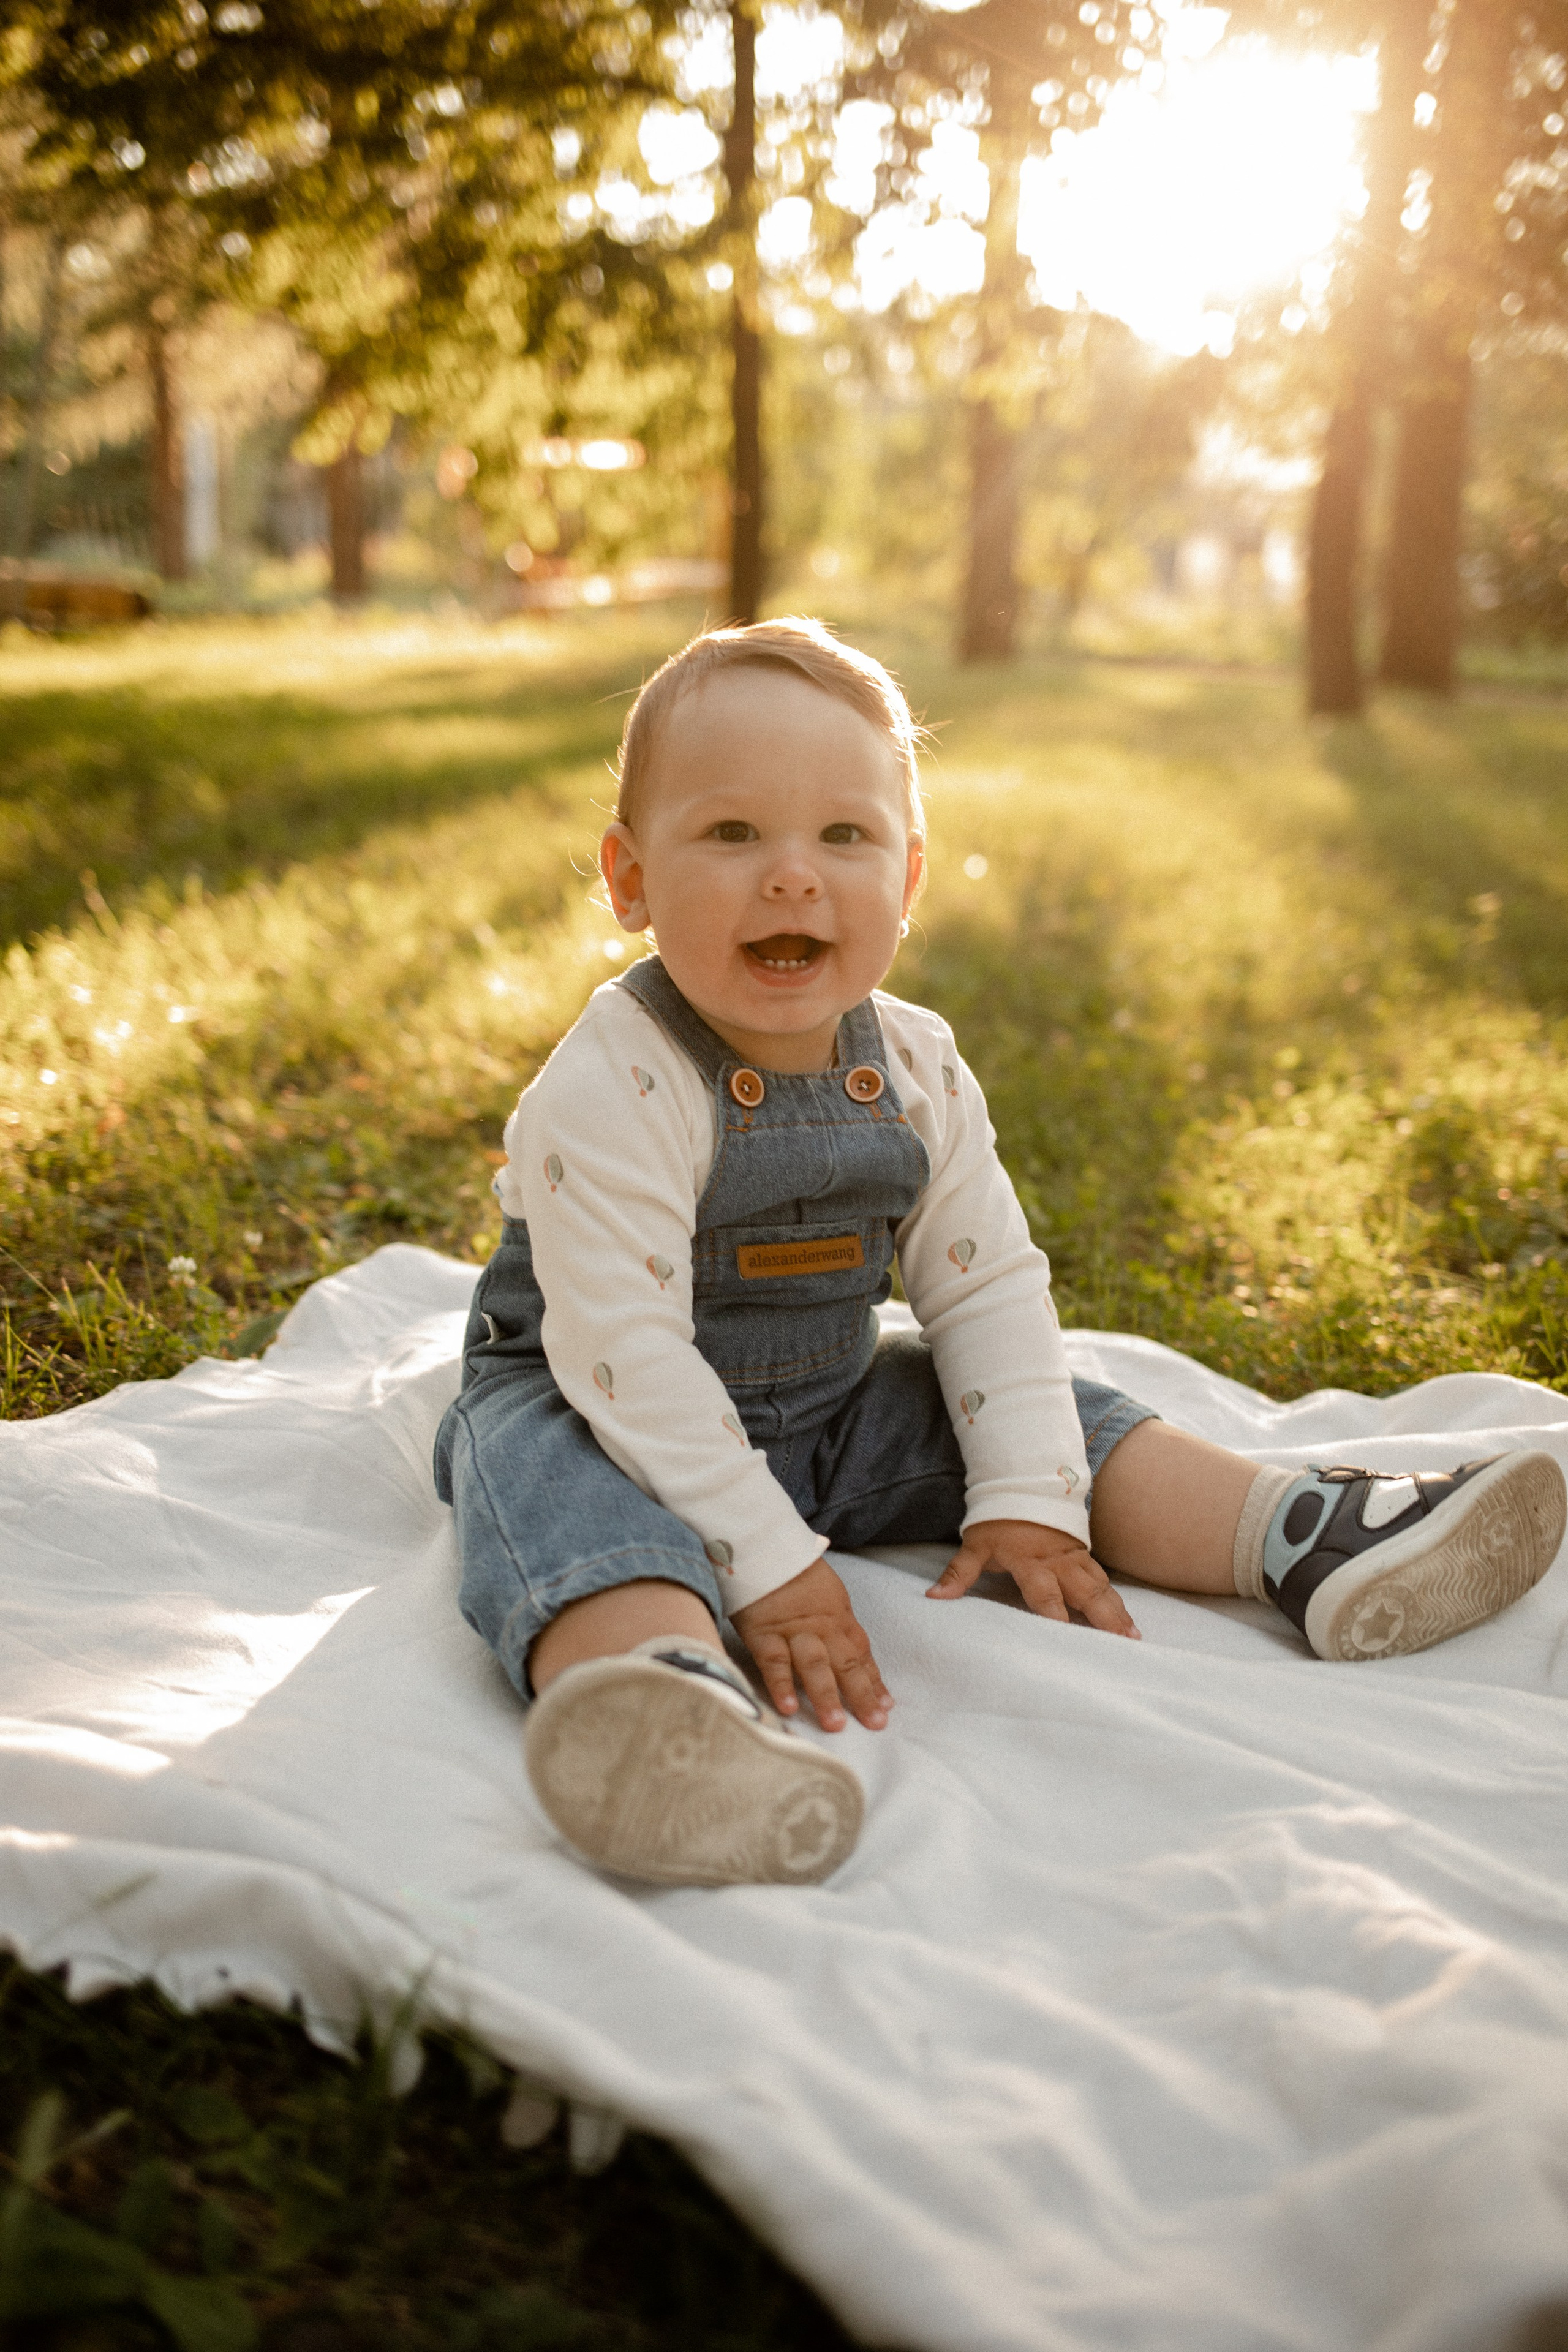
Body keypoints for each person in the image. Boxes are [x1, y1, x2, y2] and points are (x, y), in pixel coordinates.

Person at [433, 619, 1565, 1890]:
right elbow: (624, 1354)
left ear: (907, 882)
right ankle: (663, 1704)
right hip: (594, 1409)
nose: (792, 878)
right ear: (628, 878)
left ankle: (1297, 1532)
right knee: (558, 1509)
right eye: (732, 833)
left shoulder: (913, 1063)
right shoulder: (615, 1077)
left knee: (1044, 1410)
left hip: (826, 1409)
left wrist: (1027, 1493)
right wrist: (772, 1570)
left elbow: (982, 1288)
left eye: (842, 837)